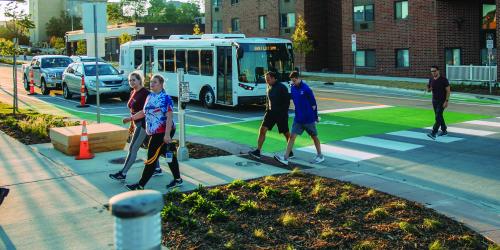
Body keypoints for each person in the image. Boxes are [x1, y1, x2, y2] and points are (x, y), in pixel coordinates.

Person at [125, 74, 182, 190]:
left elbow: (169, 117)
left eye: (155, 82)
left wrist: (167, 135)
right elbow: (144, 112)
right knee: (168, 154)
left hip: (162, 132)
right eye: (151, 82)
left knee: (151, 157)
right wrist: (131, 118)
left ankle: (140, 185)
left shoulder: (166, 98)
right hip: (153, 132)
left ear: (161, 84)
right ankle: (178, 179)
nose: (152, 84)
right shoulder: (150, 96)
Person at [109, 72, 162, 182]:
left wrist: (130, 120)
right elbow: (132, 110)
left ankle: (123, 173)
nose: (131, 82)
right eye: (130, 80)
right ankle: (156, 168)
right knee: (150, 147)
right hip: (137, 124)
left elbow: (145, 111)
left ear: (139, 80)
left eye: (134, 80)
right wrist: (132, 124)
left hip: (143, 125)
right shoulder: (133, 92)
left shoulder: (145, 94)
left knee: (133, 148)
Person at [274, 71, 324, 165]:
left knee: (314, 137)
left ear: (298, 78)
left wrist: (315, 116)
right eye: (292, 81)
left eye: (294, 80)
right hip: (298, 118)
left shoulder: (306, 89)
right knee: (292, 137)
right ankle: (285, 158)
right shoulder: (293, 88)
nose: (293, 82)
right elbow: (291, 98)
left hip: (308, 118)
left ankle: (320, 156)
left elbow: (313, 104)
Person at [249, 71, 293, 159]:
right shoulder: (269, 86)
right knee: (262, 130)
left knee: (286, 133)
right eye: (266, 80)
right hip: (270, 113)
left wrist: (282, 113)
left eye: (268, 79)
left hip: (281, 115)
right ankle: (258, 151)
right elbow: (268, 100)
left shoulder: (282, 87)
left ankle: (290, 151)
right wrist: (267, 110)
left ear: (274, 78)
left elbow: (287, 102)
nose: (267, 81)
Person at [426, 65, 451, 140]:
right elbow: (430, 90)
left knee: (438, 116)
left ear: (438, 71)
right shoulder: (431, 79)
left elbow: (448, 91)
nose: (433, 72)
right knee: (439, 116)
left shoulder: (444, 80)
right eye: (432, 71)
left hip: (442, 101)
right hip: (434, 100)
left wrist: (446, 101)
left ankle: (434, 133)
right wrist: (428, 89)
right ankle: (444, 131)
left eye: (434, 71)